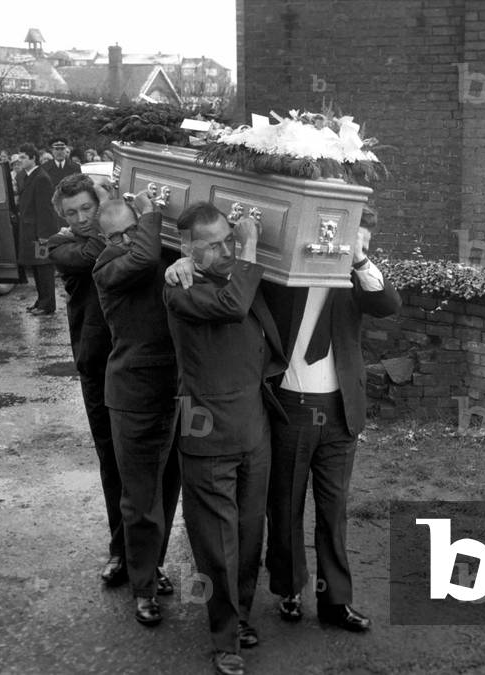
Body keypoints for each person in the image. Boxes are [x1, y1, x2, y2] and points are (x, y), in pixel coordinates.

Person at [165, 206, 401, 632]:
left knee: (334, 511)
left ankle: (335, 602)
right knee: (285, 506)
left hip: (340, 407)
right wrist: (183, 261)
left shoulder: (355, 278)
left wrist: (361, 260)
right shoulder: (281, 275)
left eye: (345, 239)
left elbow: (388, 303)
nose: (332, 245)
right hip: (288, 405)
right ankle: (289, 589)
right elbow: (231, 277)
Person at [164, 202, 288, 675]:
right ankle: (224, 638)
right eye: (211, 245)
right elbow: (233, 307)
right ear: (187, 248)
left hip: (253, 427)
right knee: (217, 544)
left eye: (226, 241)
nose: (223, 251)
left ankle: (239, 617)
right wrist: (249, 244)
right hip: (206, 432)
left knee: (249, 532)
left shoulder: (239, 274)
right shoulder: (179, 287)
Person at [93, 193, 181, 627]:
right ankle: (142, 588)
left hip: (175, 392)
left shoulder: (159, 255)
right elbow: (144, 256)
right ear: (105, 239)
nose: (129, 239)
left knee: (167, 490)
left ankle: (154, 565)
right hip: (134, 397)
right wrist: (151, 214)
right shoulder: (109, 267)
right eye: (118, 234)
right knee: (141, 499)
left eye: (133, 229)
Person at [46, 174, 125, 588]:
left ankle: (153, 557)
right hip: (97, 367)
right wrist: (115, 209)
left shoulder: (119, 233)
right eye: (71, 213)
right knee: (111, 461)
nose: (80, 218)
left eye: (87, 209)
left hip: (140, 365)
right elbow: (95, 250)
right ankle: (120, 551)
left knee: (153, 468)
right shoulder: (62, 247)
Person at [15, 143, 57, 315]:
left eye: (24, 157)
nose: (20, 160)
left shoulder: (41, 178)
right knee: (36, 269)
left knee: (44, 269)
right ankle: (41, 301)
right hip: (30, 232)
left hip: (40, 233)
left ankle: (48, 305)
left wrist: (44, 235)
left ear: (33, 158)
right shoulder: (26, 176)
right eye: (20, 157)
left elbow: (45, 209)